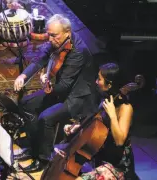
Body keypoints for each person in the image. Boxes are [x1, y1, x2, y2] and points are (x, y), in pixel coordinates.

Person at [13, 14, 98, 172]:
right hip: (59, 88)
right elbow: (40, 59)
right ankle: (33, 149)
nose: (50, 39)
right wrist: (23, 75)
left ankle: (44, 159)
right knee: (25, 104)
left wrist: (49, 85)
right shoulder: (57, 41)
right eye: (49, 34)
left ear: (67, 32)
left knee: (46, 118)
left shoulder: (79, 51)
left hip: (77, 96)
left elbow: (65, 85)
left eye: (54, 35)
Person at [56, 63, 136, 180]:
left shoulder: (126, 108)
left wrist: (113, 115)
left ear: (109, 85)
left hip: (118, 166)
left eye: (99, 79)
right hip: (100, 157)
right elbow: (95, 125)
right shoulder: (106, 99)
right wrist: (77, 127)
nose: (96, 82)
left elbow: (119, 141)